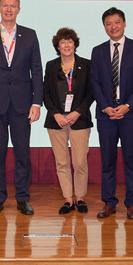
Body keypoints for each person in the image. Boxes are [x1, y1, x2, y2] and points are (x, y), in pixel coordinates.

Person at [0, 0, 43, 216]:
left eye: (13, 6)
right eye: (5, 6)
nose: (9, 9)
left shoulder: (30, 35)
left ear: (19, 9)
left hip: (23, 104)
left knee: (23, 152)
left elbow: (37, 71)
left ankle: (23, 198)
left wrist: (37, 102)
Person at [90, 7, 133, 220]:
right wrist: (106, 106)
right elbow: (94, 82)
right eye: (108, 24)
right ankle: (109, 203)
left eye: (116, 22)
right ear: (104, 27)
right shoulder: (97, 51)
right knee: (108, 160)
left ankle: (132, 204)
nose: (113, 27)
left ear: (124, 24)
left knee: (131, 159)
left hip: (130, 114)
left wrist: (127, 106)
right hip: (106, 115)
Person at [43, 28, 94, 215]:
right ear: (57, 46)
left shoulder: (86, 65)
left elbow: (91, 93)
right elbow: (45, 93)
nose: (66, 45)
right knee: (62, 162)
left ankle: (80, 198)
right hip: (56, 120)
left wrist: (78, 112)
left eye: (69, 41)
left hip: (79, 119)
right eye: (62, 42)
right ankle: (67, 199)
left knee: (80, 161)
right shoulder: (51, 65)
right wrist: (55, 113)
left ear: (75, 44)